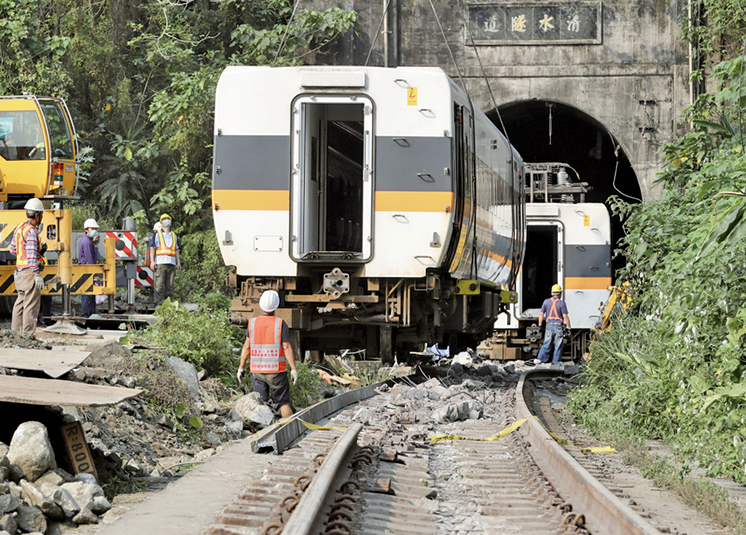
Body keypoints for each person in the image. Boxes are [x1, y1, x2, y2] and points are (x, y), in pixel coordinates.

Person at [236, 290, 298, 418]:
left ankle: (264, 430)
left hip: (257, 371)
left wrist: (241, 367)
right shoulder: (280, 324)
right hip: (276, 372)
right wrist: (293, 369)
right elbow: (286, 347)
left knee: (262, 402)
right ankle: (289, 429)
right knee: (283, 403)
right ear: (277, 305)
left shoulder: (252, 323)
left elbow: (247, 346)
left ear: (261, 304)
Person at [10, 198, 46, 336]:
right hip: (30, 273)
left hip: (20, 273)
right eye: (41, 214)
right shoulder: (31, 231)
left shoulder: (20, 228)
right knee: (31, 306)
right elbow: (31, 255)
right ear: (37, 215)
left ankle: (15, 335)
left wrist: (39, 251)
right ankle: (28, 336)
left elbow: (13, 250)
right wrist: (36, 273)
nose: (41, 217)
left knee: (20, 304)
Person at [150, 214, 181, 307]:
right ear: (161, 222)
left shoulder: (174, 235)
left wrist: (178, 262)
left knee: (170, 286)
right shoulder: (157, 234)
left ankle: (168, 303)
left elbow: (176, 249)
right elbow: (152, 248)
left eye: (168, 219)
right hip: (160, 263)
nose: (166, 220)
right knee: (158, 285)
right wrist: (152, 261)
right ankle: (158, 303)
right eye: (164, 219)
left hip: (171, 263)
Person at [536, 283, 571, 364]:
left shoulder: (546, 302)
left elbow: (541, 314)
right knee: (558, 345)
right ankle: (556, 362)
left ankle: (541, 360)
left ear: (552, 293)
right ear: (560, 294)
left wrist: (540, 325)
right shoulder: (562, 303)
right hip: (558, 326)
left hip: (548, 325)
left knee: (547, 343)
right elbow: (565, 316)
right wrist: (569, 327)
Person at [78, 218, 100, 318]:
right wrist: (94, 273)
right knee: (87, 294)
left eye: (95, 228)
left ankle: (90, 315)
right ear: (87, 229)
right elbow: (89, 259)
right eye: (92, 228)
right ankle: (86, 315)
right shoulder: (87, 242)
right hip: (87, 270)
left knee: (90, 294)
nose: (94, 230)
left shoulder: (88, 241)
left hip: (87, 270)